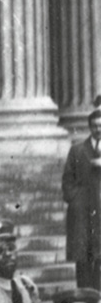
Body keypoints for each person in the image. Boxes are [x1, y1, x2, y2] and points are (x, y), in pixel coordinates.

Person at [61, 106, 101, 290]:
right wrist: (76, 200)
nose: (98, 129)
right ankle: (86, 297)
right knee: (83, 259)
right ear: (90, 127)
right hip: (83, 213)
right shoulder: (77, 150)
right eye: (95, 126)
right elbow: (67, 180)